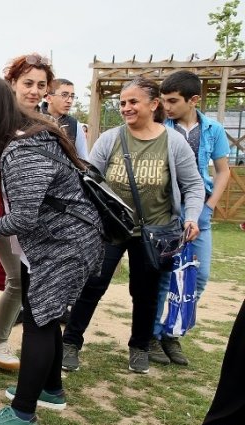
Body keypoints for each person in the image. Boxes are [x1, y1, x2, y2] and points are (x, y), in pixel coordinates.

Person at [0, 75, 103, 425]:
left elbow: (23, 218)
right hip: (57, 242)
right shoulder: (26, 135)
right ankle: (49, 390)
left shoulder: (20, 150)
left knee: (38, 322)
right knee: (48, 314)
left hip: (64, 246)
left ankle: (22, 414)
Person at [61, 77, 203, 375]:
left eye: (133, 102)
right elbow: (90, 179)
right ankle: (70, 342)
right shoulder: (111, 139)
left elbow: (192, 185)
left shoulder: (173, 142)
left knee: (146, 291)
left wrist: (191, 216)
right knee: (93, 285)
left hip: (155, 233)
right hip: (112, 229)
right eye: (123, 102)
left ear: (153, 105)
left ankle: (139, 347)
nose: (126, 108)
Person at [149, 70, 231, 366]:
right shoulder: (160, 128)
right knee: (164, 277)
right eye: (163, 101)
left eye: (172, 101)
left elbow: (223, 171)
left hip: (201, 213)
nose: (166, 107)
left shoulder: (213, 129)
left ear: (193, 100)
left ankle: (173, 331)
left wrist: (209, 207)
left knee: (200, 275)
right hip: (168, 212)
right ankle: (154, 336)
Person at [0, 53, 57, 372]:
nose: (34, 90)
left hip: (38, 219)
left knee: (24, 282)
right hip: (0, 215)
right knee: (15, 278)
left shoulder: (48, 125)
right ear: (12, 83)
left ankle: (2, 343)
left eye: (41, 85)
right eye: (27, 83)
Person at [42, 78, 88, 158]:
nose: (69, 100)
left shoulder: (75, 126)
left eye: (72, 96)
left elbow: (83, 160)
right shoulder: (33, 120)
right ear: (49, 98)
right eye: (64, 95)